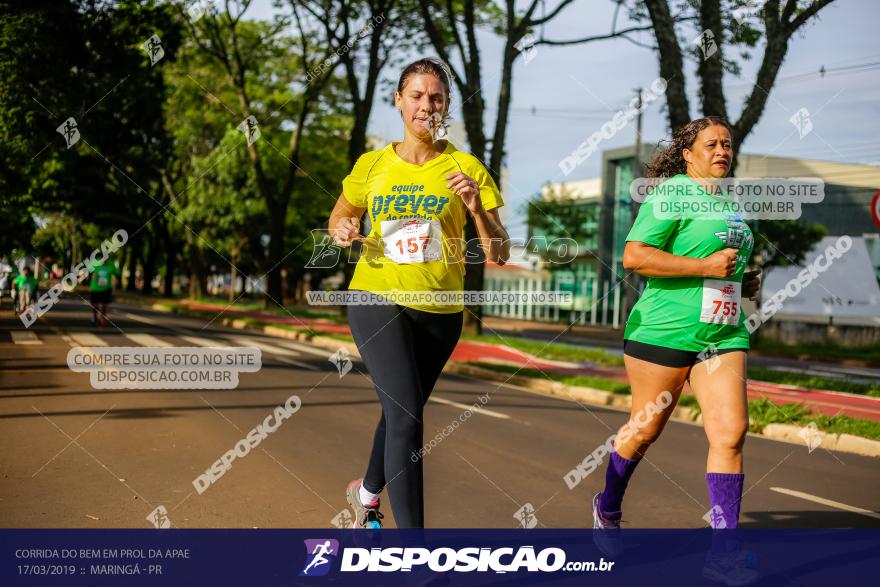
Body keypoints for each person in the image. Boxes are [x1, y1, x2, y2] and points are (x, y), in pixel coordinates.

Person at [328, 57, 510, 528]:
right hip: (375, 296)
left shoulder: (466, 168)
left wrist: (476, 208)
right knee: (408, 415)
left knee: (400, 415)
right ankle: (416, 555)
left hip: (441, 310)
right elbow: (338, 218)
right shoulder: (372, 165)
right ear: (399, 101)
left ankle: (365, 494)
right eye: (417, 95)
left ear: (446, 106)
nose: (426, 105)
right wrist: (344, 226)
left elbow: (500, 251)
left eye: (436, 98)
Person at [592, 116, 761, 537]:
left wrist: (740, 279)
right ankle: (607, 506)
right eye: (711, 145)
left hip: (722, 333)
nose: (722, 151)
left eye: (727, 144)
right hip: (663, 331)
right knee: (645, 429)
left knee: (730, 433)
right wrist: (704, 265)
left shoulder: (729, 203)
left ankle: (725, 553)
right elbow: (634, 257)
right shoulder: (671, 195)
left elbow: (721, 264)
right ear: (688, 155)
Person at [89, 258, 120, 327]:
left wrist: (117, 267)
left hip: (106, 289)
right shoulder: (94, 262)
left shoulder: (111, 264)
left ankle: (102, 319)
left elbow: (117, 273)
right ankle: (95, 317)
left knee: (104, 305)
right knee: (94, 305)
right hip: (95, 288)